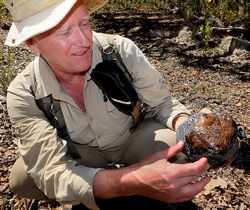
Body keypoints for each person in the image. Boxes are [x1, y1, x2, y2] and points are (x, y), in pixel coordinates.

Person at [4, 0, 210, 209]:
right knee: (24, 178)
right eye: (64, 32)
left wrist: (191, 127)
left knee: (182, 151)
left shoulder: (119, 50)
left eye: (84, 23)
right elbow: (50, 170)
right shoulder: (24, 93)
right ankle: (106, 191)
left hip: (131, 137)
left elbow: (163, 104)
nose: (84, 41)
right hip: (81, 154)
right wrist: (132, 181)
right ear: (32, 42)